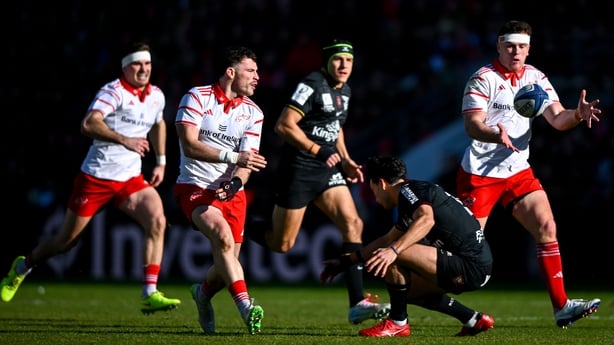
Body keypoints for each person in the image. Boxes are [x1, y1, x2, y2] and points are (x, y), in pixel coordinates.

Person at [0, 42, 181, 314]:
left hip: (130, 178)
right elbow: (88, 123)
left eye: (147, 64)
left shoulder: (156, 95)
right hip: (97, 177)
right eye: (137, 64)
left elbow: (158, 123)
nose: (144, 69)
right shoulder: (113, 92)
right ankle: (22, 266)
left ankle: (149, 292)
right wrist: (124, 140)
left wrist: (162, 161)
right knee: (65, 242)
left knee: (157, 219)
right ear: (125, 67)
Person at [457, 20, 602, 328]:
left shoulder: (535, 78)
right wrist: (496, 135)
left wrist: (577, 114)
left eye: (522, 46)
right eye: (509, 45)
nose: (516, 52)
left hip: (518, 170)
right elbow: (472, 125)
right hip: (479, 175)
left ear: (529, 48)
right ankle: (408, 295)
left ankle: (562, 307)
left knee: (547, 227)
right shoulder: (482, 79)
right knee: (464, 254)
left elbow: (558, 119)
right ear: (498, 46)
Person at [246, 38, 390, 324]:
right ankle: (236, 222)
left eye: (348, 61)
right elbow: (283, 125)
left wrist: (346, 159)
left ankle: (357, 303)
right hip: (299, 168)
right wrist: (317, 150)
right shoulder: (311, 83)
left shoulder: (345, 90)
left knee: (354, 223)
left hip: (327, 169)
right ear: (326, 62)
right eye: (338, 59)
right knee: (282, 243)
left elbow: (335, 128)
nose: (344, 65)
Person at [321, 155, 494, 337]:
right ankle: (473, 319)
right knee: (407, 292)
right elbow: (387, 239)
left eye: (373, 190)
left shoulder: (408, 192)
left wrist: (394, 251)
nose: (376, 199)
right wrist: (345, 262)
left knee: (394, 253)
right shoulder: (411, 196)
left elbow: (426, 219)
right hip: (474, 266)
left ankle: (397, 323)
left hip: (470, 266)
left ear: (381, 183)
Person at [174, 46, 267, 335]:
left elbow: (247, 162)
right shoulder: (196, 96)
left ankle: (202, 294)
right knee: (223, 240)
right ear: (231, 72)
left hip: (231, 193)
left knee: (226, 260)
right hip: (195, 187)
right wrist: (233, 158)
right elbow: (189, 144)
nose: (257, 77)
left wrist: (237, 181)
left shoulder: (254, 113)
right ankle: (246, 307)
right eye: (250, 71)